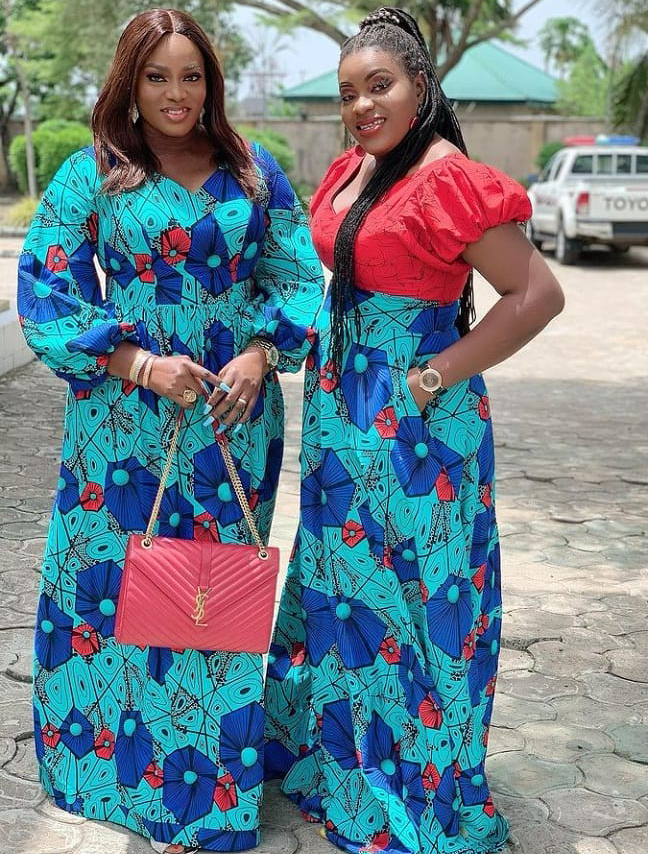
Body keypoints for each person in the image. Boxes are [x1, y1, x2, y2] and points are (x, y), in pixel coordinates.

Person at [18, 8, 323, 853]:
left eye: (192, 76)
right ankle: (111, 773)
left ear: (212, 84)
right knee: (116, 589)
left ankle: (208, 793)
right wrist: (141, 365)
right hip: (122, 422)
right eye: (158, 77)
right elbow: (46, 288)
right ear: (131, 82)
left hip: (230, 415)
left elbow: (299, 274)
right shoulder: (93, 172)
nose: (176, 93)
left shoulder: (255, 171)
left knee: (209, 594)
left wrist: (261, 353)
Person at [264, 7, 564, 854]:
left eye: (380, 86)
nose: (361, 105)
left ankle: (419, 782)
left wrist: (431, 378)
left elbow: (538, 295)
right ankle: (350, 768)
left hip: (415, 426)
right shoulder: (355, 169)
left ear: (422, 86)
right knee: (347, 592)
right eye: (348, 92)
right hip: (341, 416)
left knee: (417, 597)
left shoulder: (447, 179)